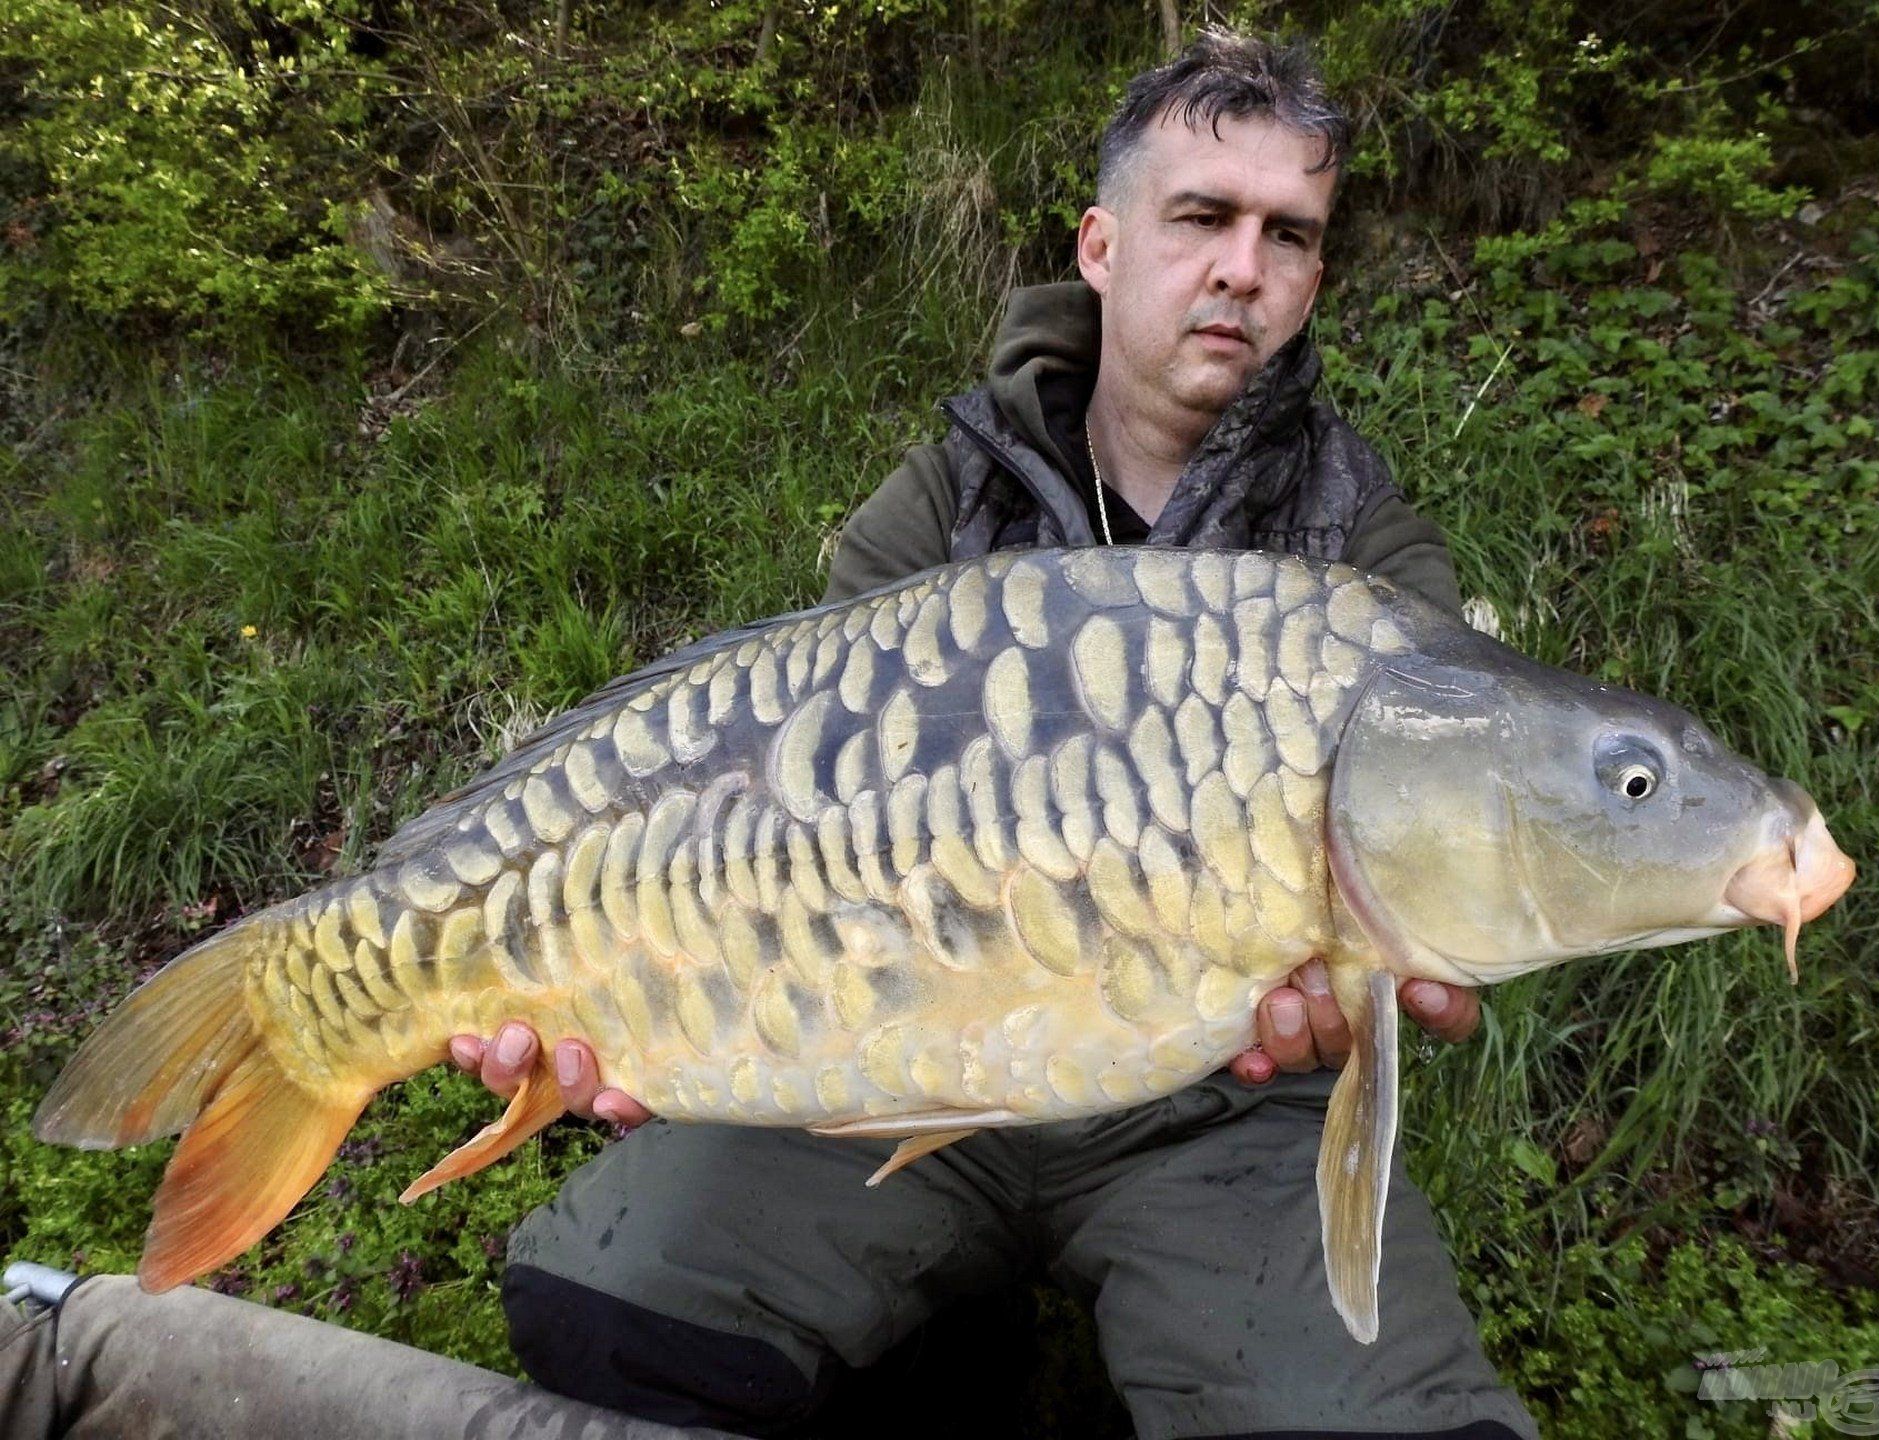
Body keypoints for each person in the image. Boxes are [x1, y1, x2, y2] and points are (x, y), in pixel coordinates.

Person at [458, 30, 1538, 1440]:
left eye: (1290, 236)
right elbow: (780, 833)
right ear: (1102, 243)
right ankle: (929, 1341)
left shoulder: (1369, 566)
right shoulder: (935, 512)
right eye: (1203, 218)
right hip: (915, 1051)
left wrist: (1387, 976)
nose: (1242, 268)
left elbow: (1443, 871)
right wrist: (652, 992)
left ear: (1315, 278)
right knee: (611, 1310)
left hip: (1218, 1102)